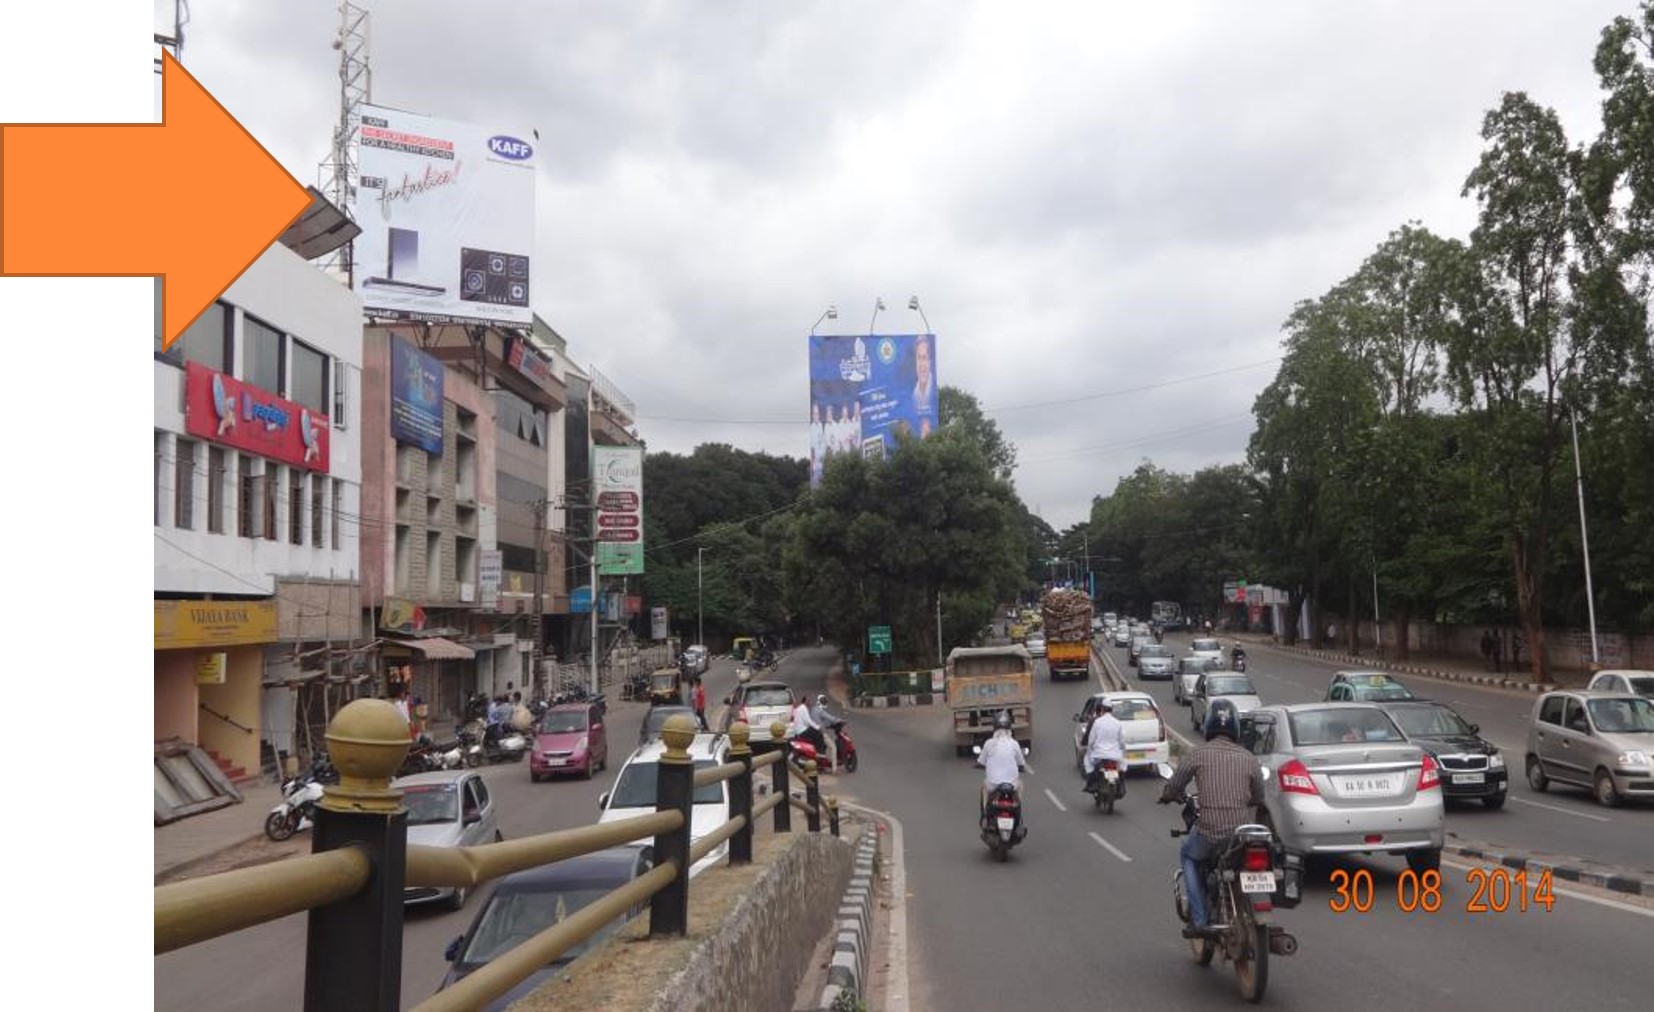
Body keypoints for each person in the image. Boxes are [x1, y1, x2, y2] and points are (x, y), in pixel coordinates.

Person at [1158, 699, 1265, 939]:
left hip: (1210, 832)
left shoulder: (1199, 754)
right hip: (1241, 835)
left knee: (1188, 855)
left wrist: (1167, 796)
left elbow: (1175, 785)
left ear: (1207, 726)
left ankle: (1199, 920)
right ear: (1236, 728)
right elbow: (1259, 796)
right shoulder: (1249, 758)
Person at [977, 711, 1027, 817]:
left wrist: (980, 765)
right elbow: (1021, 762)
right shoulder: (1014, 743)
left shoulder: (989, 743)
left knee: (984, 787)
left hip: (993, 783)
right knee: (1020, 785)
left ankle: (985, 813)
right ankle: (1018, 811)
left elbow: (981, 761)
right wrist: (1022, 767)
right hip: (1012, 784)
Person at [1082, 700, 1126, 797]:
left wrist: (1089, 750)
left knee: (1087, 761)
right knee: (1124, 764)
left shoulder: (1097, 722)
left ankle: (1091, 784)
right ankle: (1122, 784)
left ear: (1102, 709)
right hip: (1115, 756)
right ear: (1112, 710)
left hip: (1099, 755)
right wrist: (1122, 751)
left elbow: (1091, 740)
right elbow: (1122, 741)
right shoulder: (1118, 723)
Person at [810, 693, 840, 771]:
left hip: (812, 733)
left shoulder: (813, 709)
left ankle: (822, 765)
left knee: (823, 747)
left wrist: (827, 725)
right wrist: (839, 720)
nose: (824, 703)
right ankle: (834, 769)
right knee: (833, 747)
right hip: (820, 733)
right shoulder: (820, 711)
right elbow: (831, 718)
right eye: (823, 701)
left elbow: (820, 721)